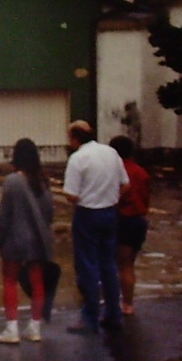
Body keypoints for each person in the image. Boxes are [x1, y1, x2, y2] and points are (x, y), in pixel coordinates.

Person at [63, 120, 129, 334]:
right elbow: (125, 184)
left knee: (87, 266)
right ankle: (113, 313)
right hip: (110, 212)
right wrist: (110, 197)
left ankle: (90, 316)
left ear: (75, 138)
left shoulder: (77, 158)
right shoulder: (110, 153)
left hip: (88, 214)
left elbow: (72, 195)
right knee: (108, 264)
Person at [0, 139, 55, 344]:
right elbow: (49, 213)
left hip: (15, 241)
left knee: (9, 281)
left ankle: (12, 329)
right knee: (37, 282)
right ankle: (34, 328)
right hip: (39, 241)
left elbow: (3, 216)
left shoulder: (12, 181)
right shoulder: (43, 182)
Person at [110, 134, 149, 317]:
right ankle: (127, 301)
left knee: (122, 265)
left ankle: (125, 304)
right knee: (129, 264)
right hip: (139, 221)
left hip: (123, 219)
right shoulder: (141, 172)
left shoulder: (117, 171)